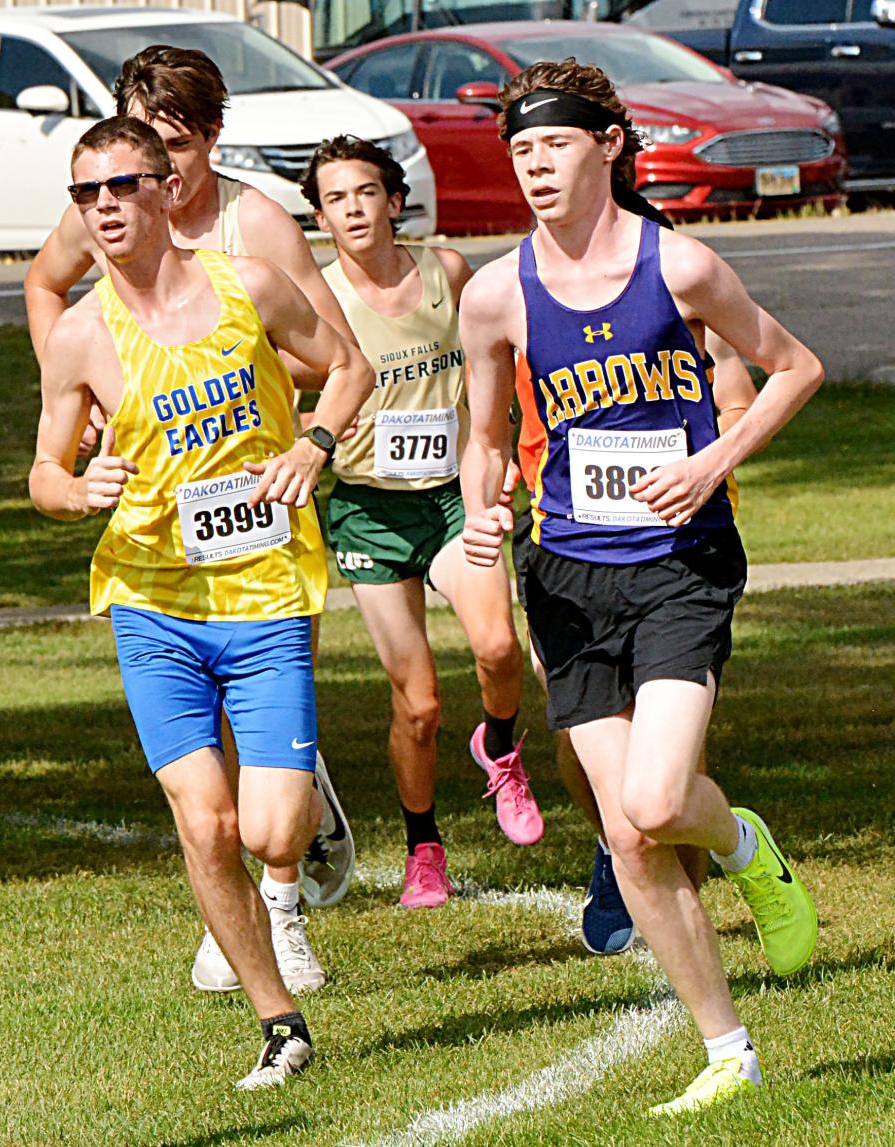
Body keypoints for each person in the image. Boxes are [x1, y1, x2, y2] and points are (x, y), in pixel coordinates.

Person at [458, 59, 821, 1114]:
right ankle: (728, 1052)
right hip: (568, 577)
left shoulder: (684, 267)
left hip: (680, 567)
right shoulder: (495, 295)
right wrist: (485, 507)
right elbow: (485, 444)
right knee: (624, 832)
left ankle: (746, 844)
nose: (534, 167)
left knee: (658, 802)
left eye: (554, 145)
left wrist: (715, 460)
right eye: (519, 151)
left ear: (608, 146)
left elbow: (796, 367)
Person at [28, 116, 374, 1086]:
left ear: (163, 191)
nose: (102, 207)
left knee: (267, 830)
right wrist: (78, 492)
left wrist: (313, 444)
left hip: (263, 595)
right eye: (84, 193)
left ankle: (305, 806)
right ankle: (279, 1021)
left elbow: (349, 368)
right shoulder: (82, 336)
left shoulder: (247, 286)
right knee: (204, 823)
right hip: (152, 604)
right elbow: (44, 474)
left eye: (122, 186)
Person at [300, 135, 543, 909]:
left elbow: (492, 374)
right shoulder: (317, 296)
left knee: (501, 648)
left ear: (394, 201)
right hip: (369, 511)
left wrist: (496, 452)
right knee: (420, 703)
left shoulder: (448, 272)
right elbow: (284, 385)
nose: (352, 209)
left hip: (451, 496)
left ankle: (500, 751)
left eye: (365, 192)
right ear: (320, 217)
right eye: (335, 198)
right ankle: (423, 847)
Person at [515, 329, 760, 956]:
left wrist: (709, 459)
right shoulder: (522, 298)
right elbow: (484, 429)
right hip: (567, 556)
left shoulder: (676, 282)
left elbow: (738, 393)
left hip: (676, 549)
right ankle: (613, 846)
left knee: (671, 760)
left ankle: (683, 907)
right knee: (578, 734)